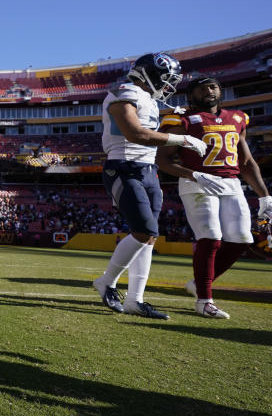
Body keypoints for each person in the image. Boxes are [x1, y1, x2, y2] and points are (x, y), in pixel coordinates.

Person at [91, 53, 207, 319]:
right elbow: (136, 134)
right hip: (123, 166)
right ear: (148, 74)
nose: (168, 86)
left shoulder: (150, 101)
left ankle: (135, 300)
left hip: (147, 169)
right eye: (165, 79)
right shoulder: (124, 92)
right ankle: (106, 282)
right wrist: (183, 140)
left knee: (149, 238)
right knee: (144, 231)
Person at [156, 77, 271, 318]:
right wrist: (194, 175)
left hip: (231, 183)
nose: (208, 91)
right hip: (196, 182)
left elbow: (247, 162)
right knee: (210, 237)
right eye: (201, 88)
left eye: (213, 87)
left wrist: (265, 198)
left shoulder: (238, 118)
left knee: (241, 239)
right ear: (191, 95)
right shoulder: (182, 119)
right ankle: (204, 300)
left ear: (220, 91)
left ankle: (199, 284)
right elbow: (163, 160)